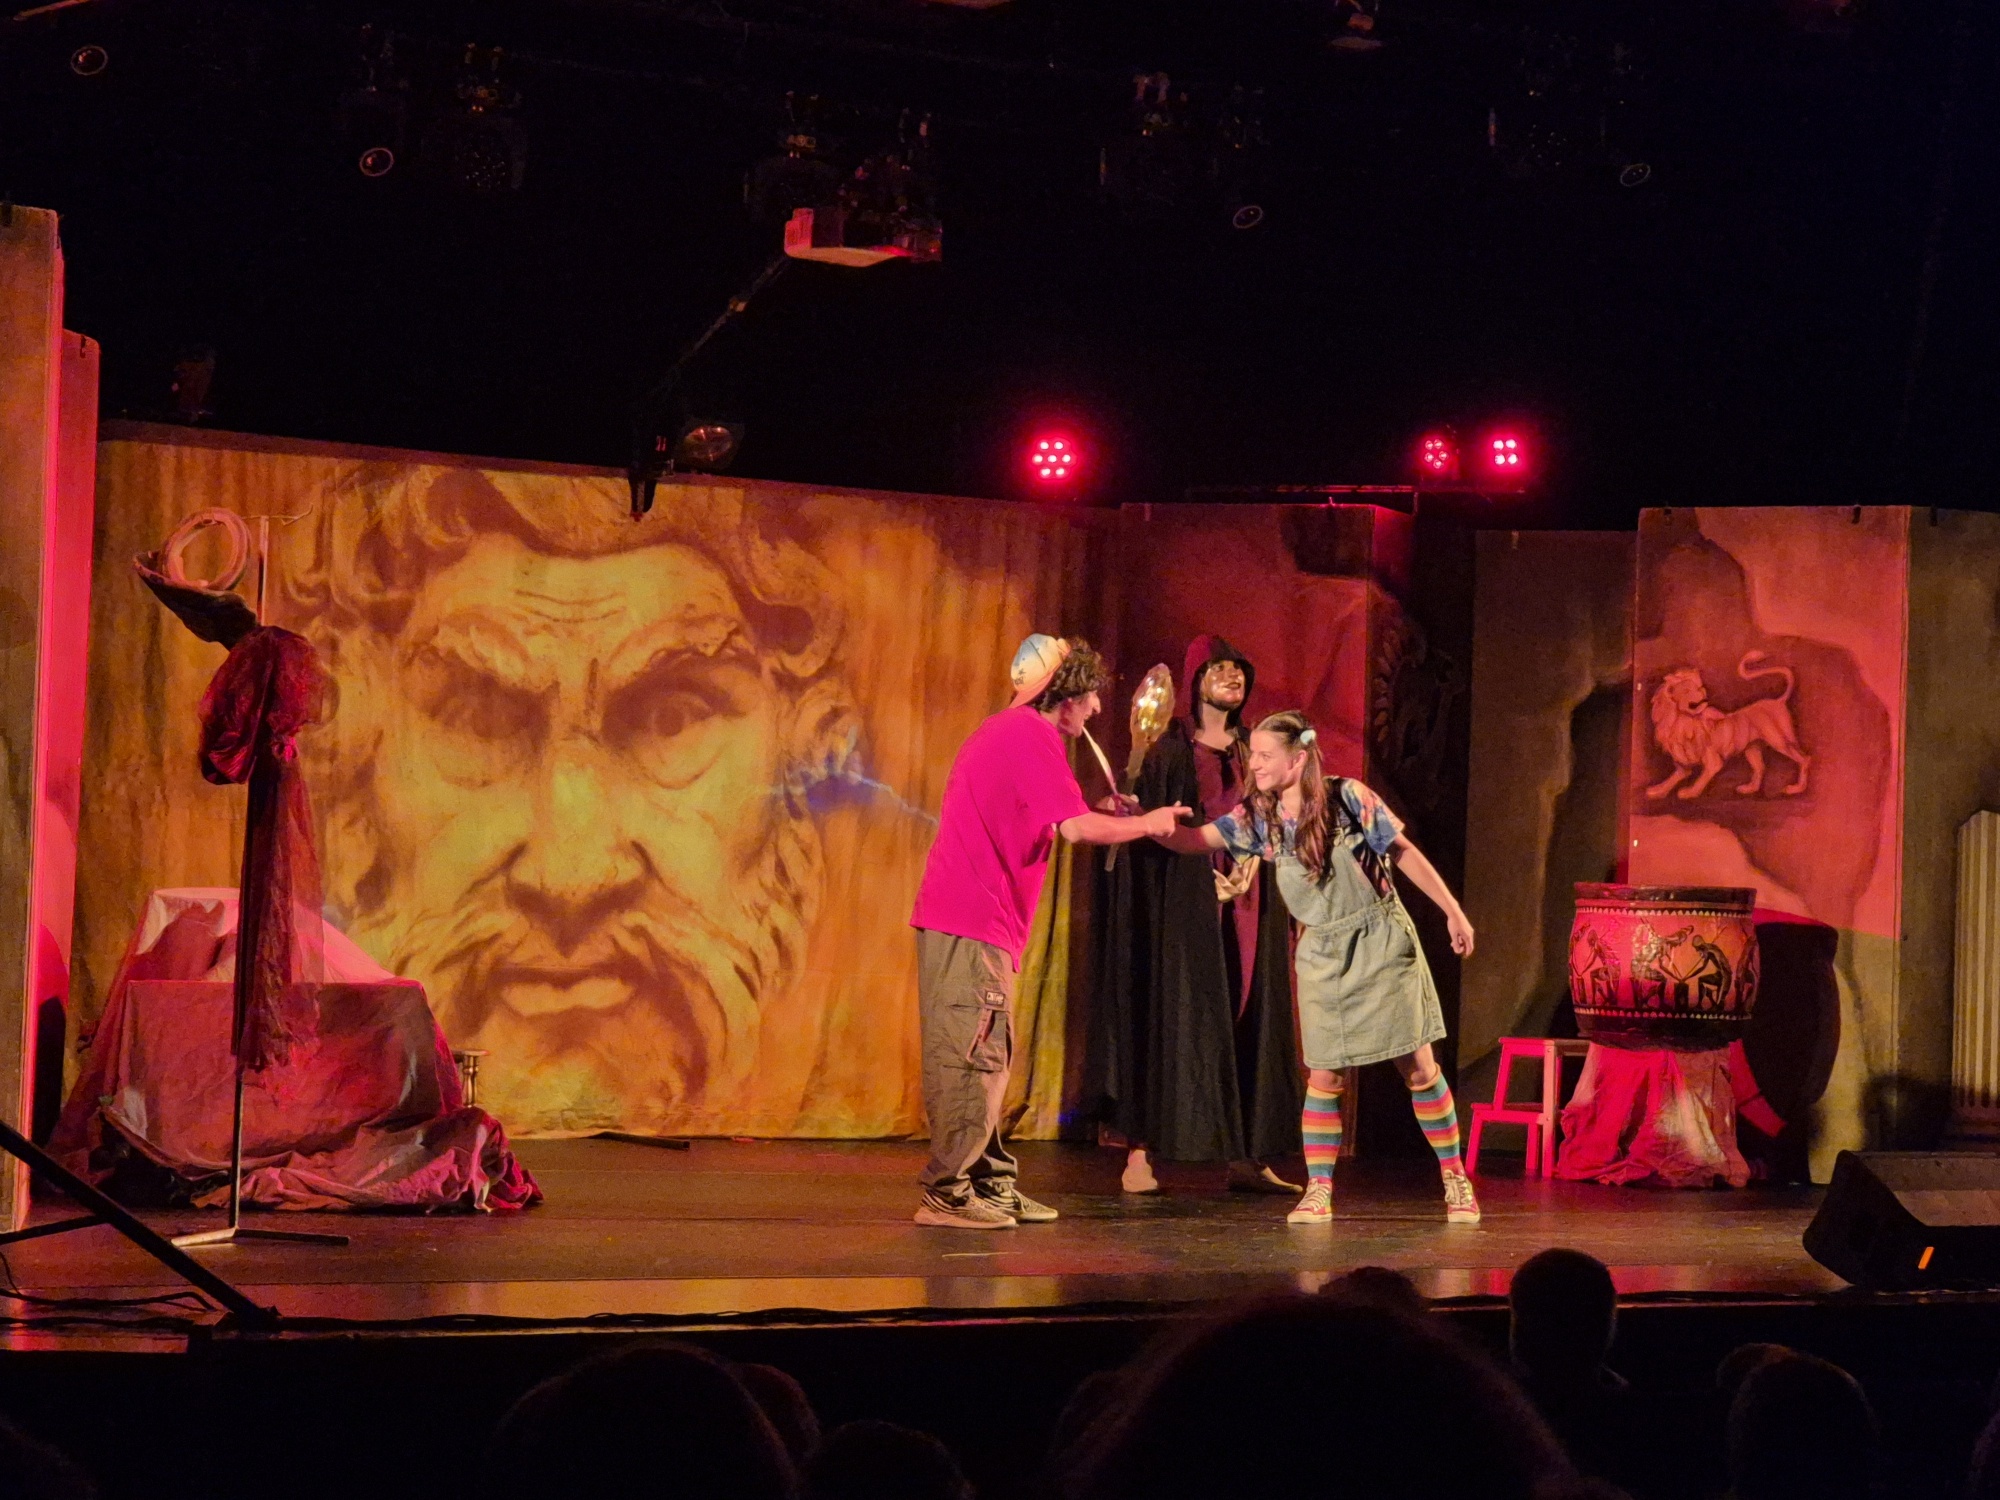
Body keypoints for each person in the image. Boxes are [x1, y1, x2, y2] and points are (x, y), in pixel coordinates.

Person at [1149, 708, 1479, 1225]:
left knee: (1418, 1067)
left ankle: (1455, 1177)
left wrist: (1452, 911)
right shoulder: (1259, 817)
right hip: (1321, 952)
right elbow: (1194, 841)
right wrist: (1146, 823)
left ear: (1298, 759)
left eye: (1265, 755)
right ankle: (1319, 1188)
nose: (1255, 765)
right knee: (1324, 1075)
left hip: (1380, 941)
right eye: (1253, 756)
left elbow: (1403, 851)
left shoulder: (1349, 798)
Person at [909, 634, 1186, 1229]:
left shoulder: (1013, 734)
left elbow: (1061, 817)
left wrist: (1108, 816)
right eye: (1090, 696)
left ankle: (989, 1184)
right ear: (1067, 694)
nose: (1097, 708)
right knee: (973, 1055)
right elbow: (1077, 830)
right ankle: (947, 1193)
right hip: (971, 919)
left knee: (988, 1051)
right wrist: (1148, 823)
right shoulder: (1029, 734)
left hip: (978, 920)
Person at [1092, 635, 1302, 1196]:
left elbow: (1277, 816)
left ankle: (1247, 1156)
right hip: (1183, 906)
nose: (1233, 676)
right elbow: (1148, 829)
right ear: (1196, 679)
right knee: (1174, 1014)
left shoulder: (1255, 750)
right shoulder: (1167, 750)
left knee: (1248, 1014)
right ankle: (1140, 1152)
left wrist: (1260, 870)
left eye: (1239, 669)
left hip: (1250, 901)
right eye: (1219, 668)